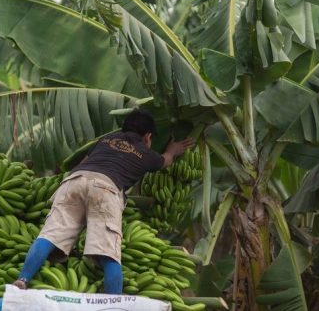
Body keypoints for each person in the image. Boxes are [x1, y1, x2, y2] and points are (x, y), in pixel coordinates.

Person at [11, 109, 195, 294]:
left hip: (74, 181)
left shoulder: (106, 140)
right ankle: (113, 303)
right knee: (108, 252)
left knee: (49, 236)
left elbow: (84, 161)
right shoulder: (146, 154)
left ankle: (22, 280)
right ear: (147, 137)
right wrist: (173, 150)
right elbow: (166, 160)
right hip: (106, 190)